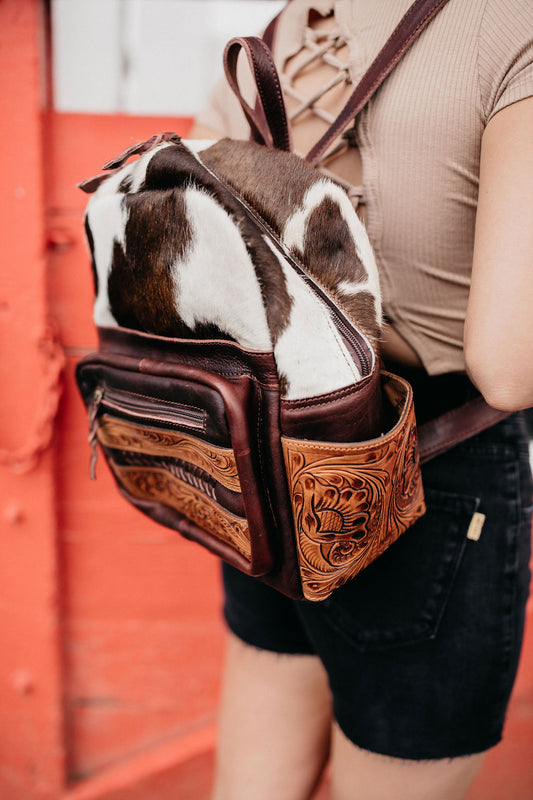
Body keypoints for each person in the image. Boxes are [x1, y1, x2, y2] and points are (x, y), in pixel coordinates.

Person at [191, 1, 533, 798]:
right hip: (429, 468)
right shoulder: (514, 29)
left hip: (265, 447)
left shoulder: (288, 27)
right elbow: (508, 371)